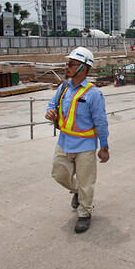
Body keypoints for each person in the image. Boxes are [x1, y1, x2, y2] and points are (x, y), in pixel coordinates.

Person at [45, 47, 110, 234]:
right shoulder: (63, 87)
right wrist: (51, 112)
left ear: (83, 68)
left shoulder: (93, 94)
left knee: (86, 181)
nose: (67, 67)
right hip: (64, 142)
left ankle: (84, 213)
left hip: (86, 146)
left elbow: (101, 122)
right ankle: (77, 193)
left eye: (72, 64)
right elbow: (52, 104)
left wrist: (104, 146)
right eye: (68, 64)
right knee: (59, 174)